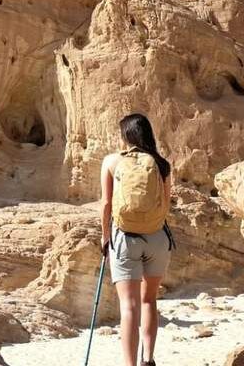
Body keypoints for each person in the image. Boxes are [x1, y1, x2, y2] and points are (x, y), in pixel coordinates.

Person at [101, 113, 175, 366]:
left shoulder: (112, 162)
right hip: (157, 237)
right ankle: (148, 359)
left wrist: (105, 236)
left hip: (125, 238)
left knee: (129, 305)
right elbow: (166, 203)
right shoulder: (161, 164)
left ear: (126, 135)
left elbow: (106, 204)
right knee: (149, 300)